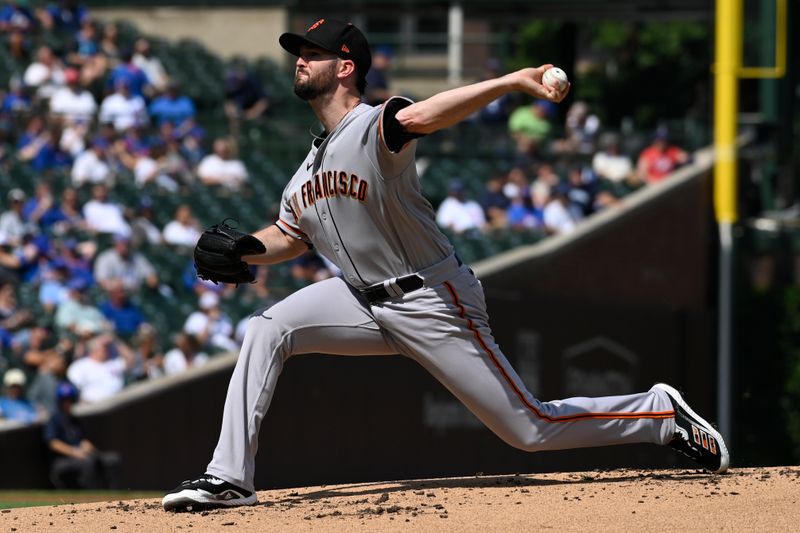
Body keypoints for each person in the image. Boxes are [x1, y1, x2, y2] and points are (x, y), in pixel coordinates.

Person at [162, 19, 729, 512]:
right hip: (361, 301)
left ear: (345, 67)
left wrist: (510, 81)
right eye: (299, 53)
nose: (300, 60)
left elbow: (424, 116)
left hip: (432, 299)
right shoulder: (305, 170)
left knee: (529, 429)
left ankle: (658, 413)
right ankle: (229, 477)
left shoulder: (375, 125)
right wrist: (245, 251)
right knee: (267, 328)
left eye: (312, 53)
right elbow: (290, 235)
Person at [44, 381, 122, 489]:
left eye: (70, 400)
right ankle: (90, 497)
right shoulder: (54, 419)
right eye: (64, 400)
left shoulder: (74, 419)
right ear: (59, 401)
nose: (68, 403)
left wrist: (89, 447)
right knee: (88, 462)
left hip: (81, 455)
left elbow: (83, 440)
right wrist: (74, 452)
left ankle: (114, 494)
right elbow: (53, 444)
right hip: (62, 460)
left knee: (112, 459)